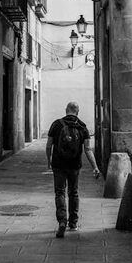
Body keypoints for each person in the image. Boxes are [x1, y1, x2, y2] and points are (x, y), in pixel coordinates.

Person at [46, 102, 100, 238]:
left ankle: (62, 221)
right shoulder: (82, 127)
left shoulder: (56, 124)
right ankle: (73, 223)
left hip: (58, 165)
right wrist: (95, 167)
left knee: (60, 192)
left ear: (66, 110)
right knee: (73, 192)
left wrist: (48, 161)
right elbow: (88, 150)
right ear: (78, 111)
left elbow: (48, 146)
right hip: (74, 165)